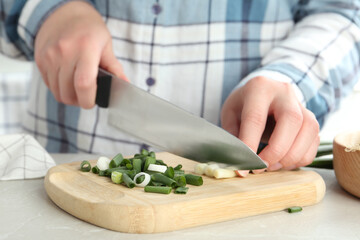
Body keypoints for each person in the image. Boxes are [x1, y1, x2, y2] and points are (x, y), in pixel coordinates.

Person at [1, 0, 359, 171]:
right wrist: (45, 11)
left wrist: (289, 78)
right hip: (57, 170)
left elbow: (344, 11)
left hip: (243, 199)